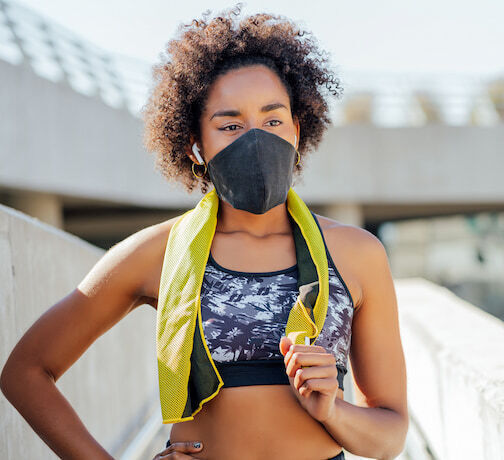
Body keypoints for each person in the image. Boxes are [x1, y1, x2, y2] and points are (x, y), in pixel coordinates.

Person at [0, 4, 408, 460]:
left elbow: (390, 435)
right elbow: (26, 371)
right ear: (196, 145)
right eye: (230, 125)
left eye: (273, 120)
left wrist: (333, 410)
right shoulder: (160, 252)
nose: (256, 139)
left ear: (297, 129)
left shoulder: (356, 254)